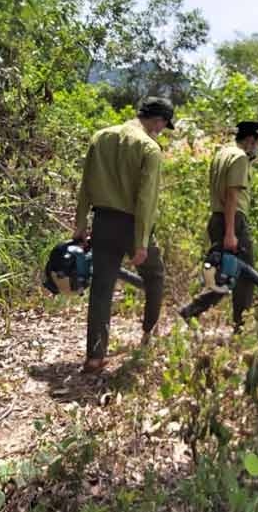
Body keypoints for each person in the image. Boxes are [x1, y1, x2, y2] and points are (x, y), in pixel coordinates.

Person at [73, 97, 174, 373]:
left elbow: (86, 187)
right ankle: (148, 336)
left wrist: (80, 225)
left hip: (103, 221)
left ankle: (95, 357)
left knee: (102, 288)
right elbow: (145, 200)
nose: (162, 130)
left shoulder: (101, 137)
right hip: (132, 224)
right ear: (158, 121)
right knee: (155, 276)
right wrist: (141, 242)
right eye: (164, 125)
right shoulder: (149, 148)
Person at [179, 121, 258, 330]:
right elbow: (232, 195)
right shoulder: (240, 158)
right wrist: (231, 233)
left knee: (225, 274)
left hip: (217, 219)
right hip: (232, 220)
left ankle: (191, 310)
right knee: (245, 276)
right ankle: (241, 325)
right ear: (251, 140)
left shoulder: (222, 153)